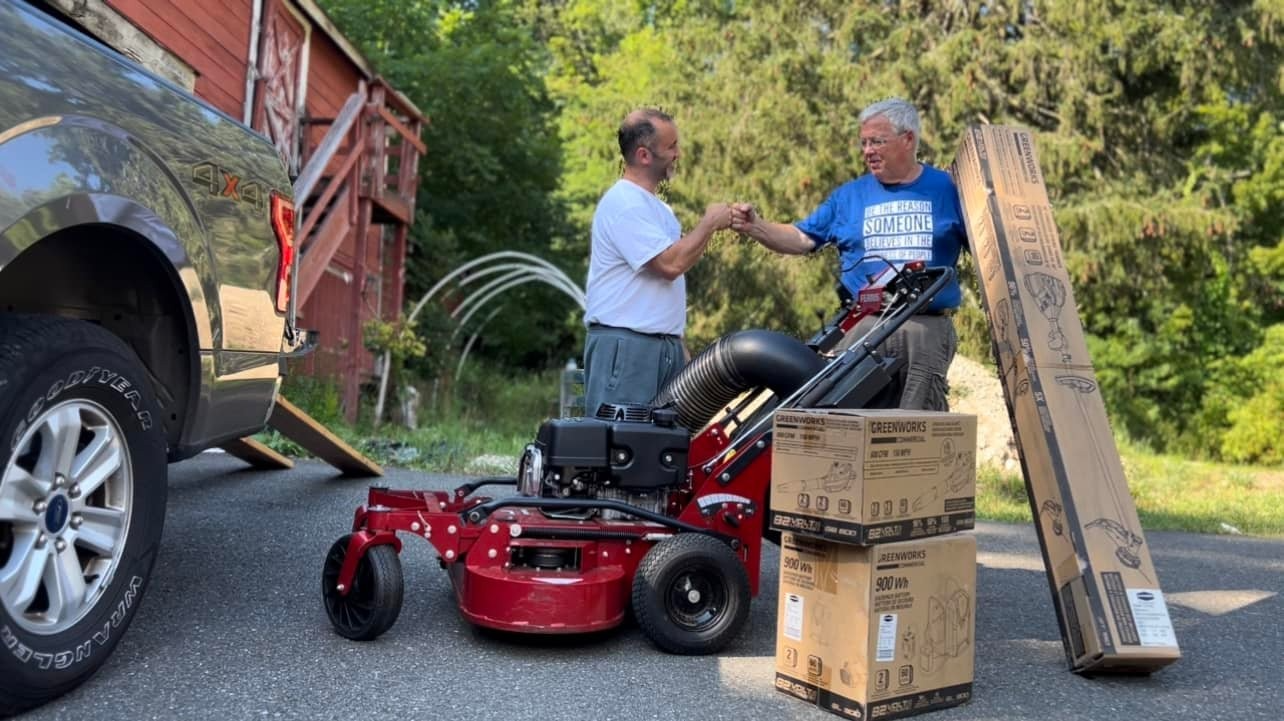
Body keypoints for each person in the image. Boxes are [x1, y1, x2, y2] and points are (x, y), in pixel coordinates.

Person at [730, 98, 967, 411]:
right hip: (862, 325)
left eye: (877, 142)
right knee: (848, 424)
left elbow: (986, 248)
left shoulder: (950, 188)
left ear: (908, 139)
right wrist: (756, 226)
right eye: (864, 142)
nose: (867, 151)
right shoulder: (849, 196)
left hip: (925, 331)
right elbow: (802, 238)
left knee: (916, 432)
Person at [582, 108, 733, 417]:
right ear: (644, 155)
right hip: (627, 349)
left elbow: (665, 286)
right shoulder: (623, 203)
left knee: (662, 450)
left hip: (662, 348)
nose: (678, 154)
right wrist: (708, 223)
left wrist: (679, 347)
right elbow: (668, 265)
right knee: (621, 444)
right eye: (671, 146)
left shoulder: (660, 210)